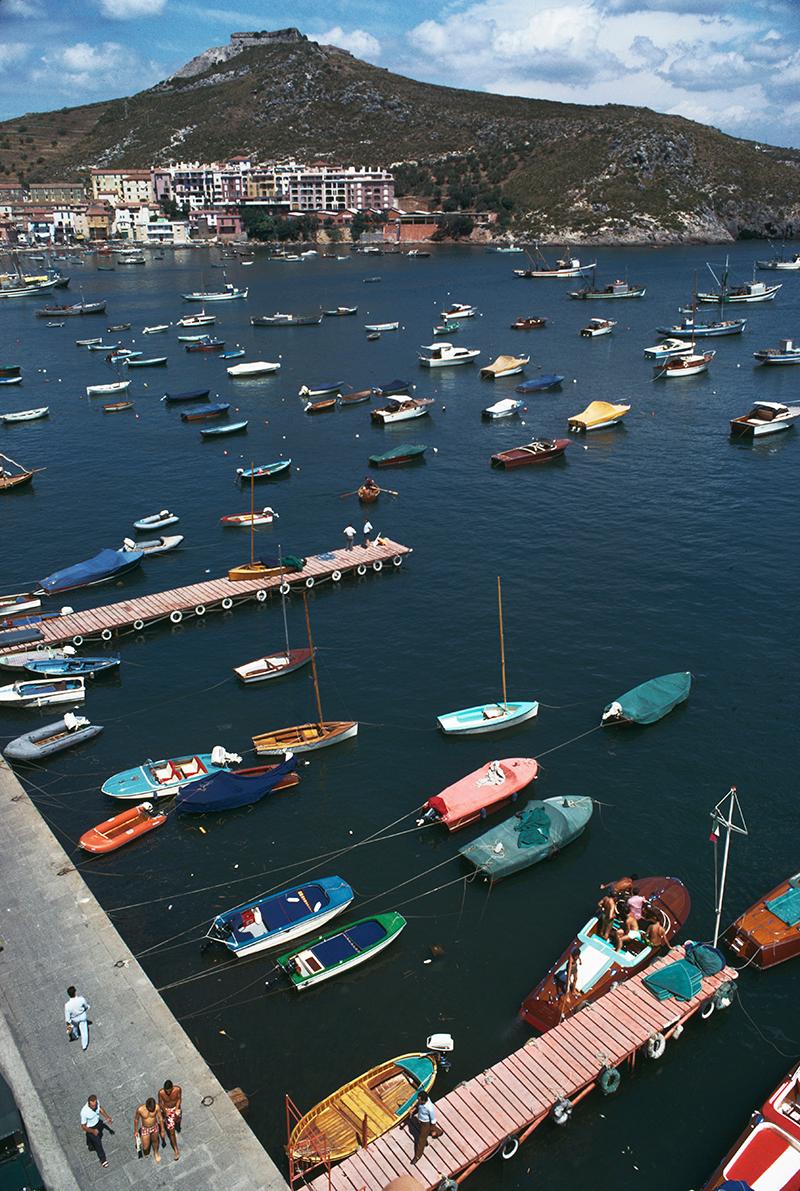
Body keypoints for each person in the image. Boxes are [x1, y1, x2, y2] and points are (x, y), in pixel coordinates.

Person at [410, 1091, 443, 1165]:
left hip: (426, 1123)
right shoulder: (421, 1102)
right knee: (423, 1131)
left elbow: (433, 1120)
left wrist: (433, 1129)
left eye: (419, 1099)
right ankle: (439, 1132)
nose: (418, 1100)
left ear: (424, 1100)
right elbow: (419, 1106)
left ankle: (417, 1156)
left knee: (421, 1139)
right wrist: (414, 1110)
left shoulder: (429, 1108)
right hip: (420, 1121)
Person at [81, 1095, 112, 1168]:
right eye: (93, 1105)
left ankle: (90, 1144)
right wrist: (92, 1131)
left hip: (97, 1123)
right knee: (98, 1143)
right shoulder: (84, 1112)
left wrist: (107, 1117)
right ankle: (103, 1159)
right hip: (91, 1128)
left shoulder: (96, 1102)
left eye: (95, 1105)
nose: (94, 1107)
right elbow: (83, 1126)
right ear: (89, 1103)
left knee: (93, 1139)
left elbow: (100, 1109)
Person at [158, 1080, 182, 1161]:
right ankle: (176, 1150)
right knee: (171, 1132)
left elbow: (179, 1099)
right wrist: (165, 1111)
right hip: (167, 1110)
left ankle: (177, 1123)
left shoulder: (177, 1089)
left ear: (172, 1087)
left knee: (178, 1120)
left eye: (169, 1091)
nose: (168, 1093)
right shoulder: (161, 1093)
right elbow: (160, 1103)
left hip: (175, 1108)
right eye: (166, 1091)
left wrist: (177, 1108)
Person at [134, 1098, 163, 1164]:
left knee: (155, 1141)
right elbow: (136, 1119)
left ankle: (156, 1152)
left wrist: (162, 1130)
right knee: (145, 1147)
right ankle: (145, 1152)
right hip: (145, 1128)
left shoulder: (157, 1107)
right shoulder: (140, 1109)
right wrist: (135, 1131)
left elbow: (160, 1118)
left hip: (154, 1126)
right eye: (150, 1109)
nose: (152, 1110)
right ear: (147, 1106)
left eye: (153, 1108)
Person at [65, 985, 90, 1051]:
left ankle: (75, 1036)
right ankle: (84, 1045)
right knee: (84, 1031)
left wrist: (69, 1026)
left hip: (74, 1019)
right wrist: (87, 1007)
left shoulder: (67, 1005)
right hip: (82, 1016)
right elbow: (86, 1006)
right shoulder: (81, 999)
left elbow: (67, 1018)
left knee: (74, 1028)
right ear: (75, 992)